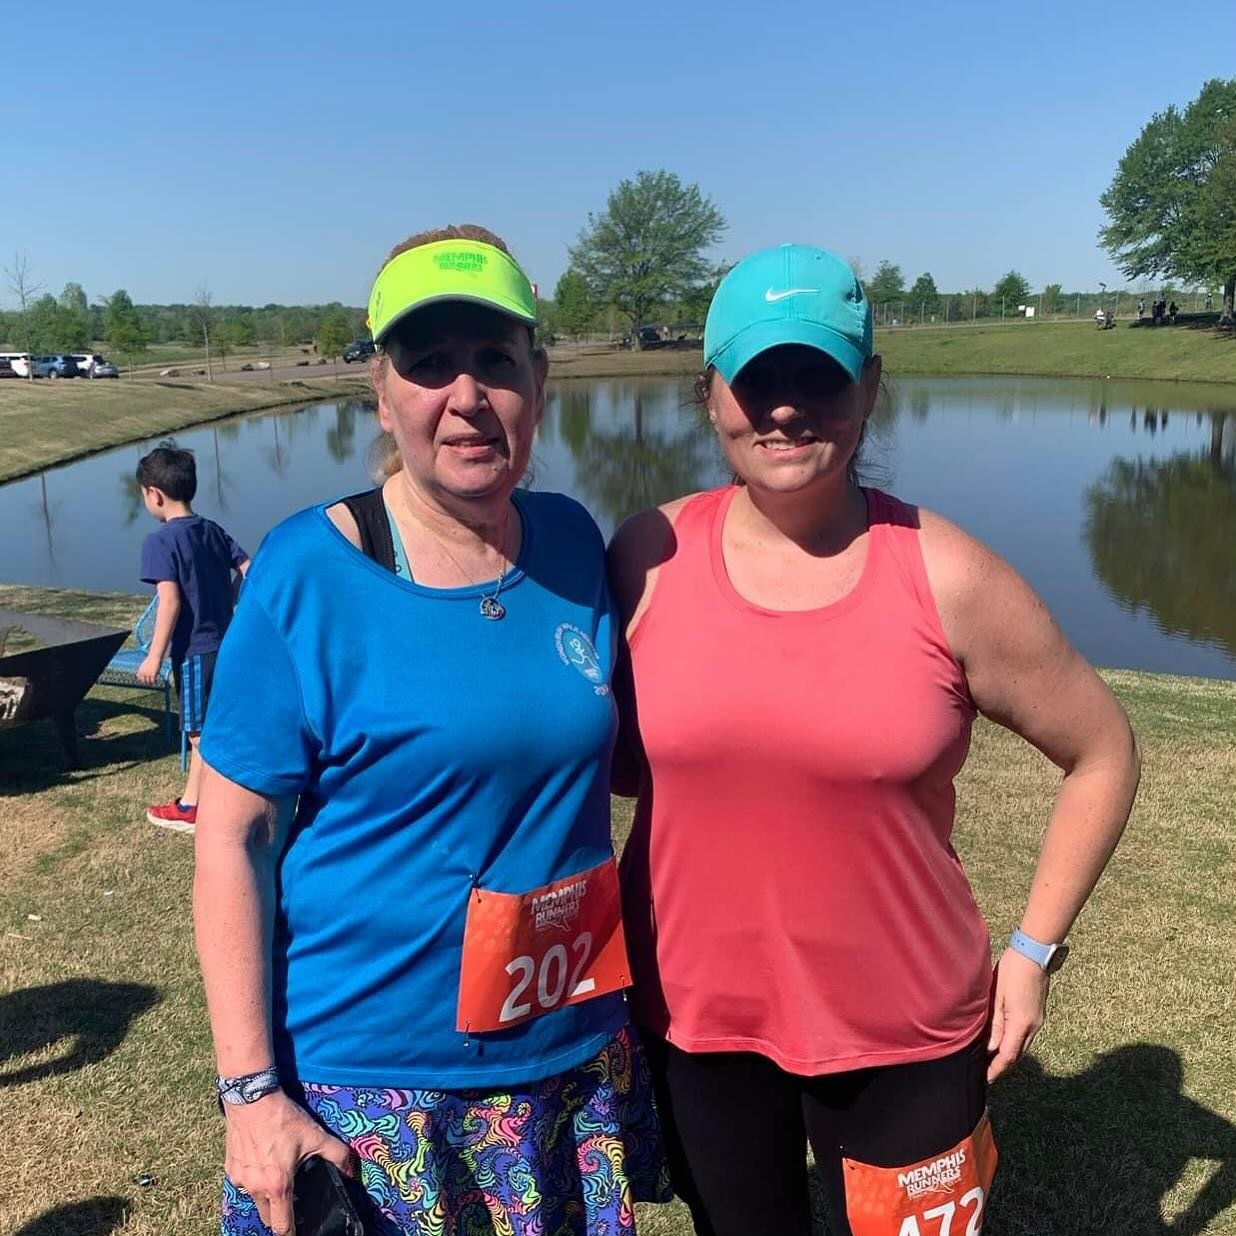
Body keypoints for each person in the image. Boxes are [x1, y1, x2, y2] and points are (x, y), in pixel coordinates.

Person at [608, 244, 1140, 1236]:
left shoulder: (950, 577)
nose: (786, 407)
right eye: (758, 379)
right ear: (708, 393)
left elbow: (1103, 752)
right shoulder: (646, 554)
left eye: (820, 374)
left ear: (871, 388)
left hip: (907, 1033)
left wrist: (1031, 953)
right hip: (694, 1025)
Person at [194, 225, 667, 1236]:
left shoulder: (577, 545)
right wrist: (249, 1095)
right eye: (429, 363)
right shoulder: (310, 573)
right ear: (382, 392)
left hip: (566, 1056)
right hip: (373, 1085)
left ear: (538, 383)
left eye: (495, 361)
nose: (466, 395)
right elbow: (231, 837)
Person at [135, 442, 248, 832]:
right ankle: (193, 803)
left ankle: (198, 808)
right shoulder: (212, 530)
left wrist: (154, 655)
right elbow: (251, 569)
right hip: (227, 645)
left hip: (195, 653)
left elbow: (169, 602)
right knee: (214, 725)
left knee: (202, 734)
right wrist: (229, 603)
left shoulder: (160, 541)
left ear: (155, 494)